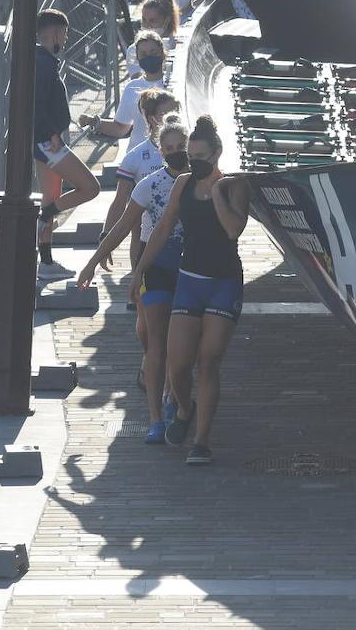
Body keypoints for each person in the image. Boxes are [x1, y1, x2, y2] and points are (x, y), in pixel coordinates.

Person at [131, 117, 251, 466]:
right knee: (179, 364)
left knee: (209, 360)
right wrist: (139, 270)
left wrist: (216, 193)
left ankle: (201, 440)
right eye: (191, 154)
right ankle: (184, 408)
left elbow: (233, 230)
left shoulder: (234, 186)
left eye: (202, 156)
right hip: (190, 279)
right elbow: (163, 228)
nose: (194, 161)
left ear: (216, 154)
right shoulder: (182, 183)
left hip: (223, 281)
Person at [78, 119, 190, 443]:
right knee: (155, 342)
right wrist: (92, 263)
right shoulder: (149, 185)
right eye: (167, 149)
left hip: (191, 268)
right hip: (156, 266)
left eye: (179, 148)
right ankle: (156, 417)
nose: (173, 154)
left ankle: (174, 398)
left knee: (179, 347)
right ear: (159, 150)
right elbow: (124, 226)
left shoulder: (200, 184)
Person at [34, 9, 99, 280]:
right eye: (65, 33)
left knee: (51, 196)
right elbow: (36, 103)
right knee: (90, 187)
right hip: (48, 143)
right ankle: (47, 214)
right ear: (56, 33)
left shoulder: (41, 60)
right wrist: (52, 133)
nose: (67, 38)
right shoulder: (43, 63)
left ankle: (46, 264)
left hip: (43, 142)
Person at [100, 88, 179, 271]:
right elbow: (119, 202)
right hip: (146, 240)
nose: (175, 118)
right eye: (168, 113)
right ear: (152, 119)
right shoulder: (134, 158)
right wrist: (106, 239)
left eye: (177, 112)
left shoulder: (190, 150)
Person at [81, 30, 169, 148]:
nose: (148, 57)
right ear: (138, 58)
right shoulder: (132, 88)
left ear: (162, 53)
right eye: (143, 54)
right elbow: (120, 128)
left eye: (153, 52)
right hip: (138, 154)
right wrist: (93, 121)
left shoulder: (171, 82)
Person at [125, 0, 178, 78]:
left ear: (166, 21)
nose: (147, 26)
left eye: (153, 21)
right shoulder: (133, 50)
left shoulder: (177, 45)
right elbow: (138, 80)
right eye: (144, 20)